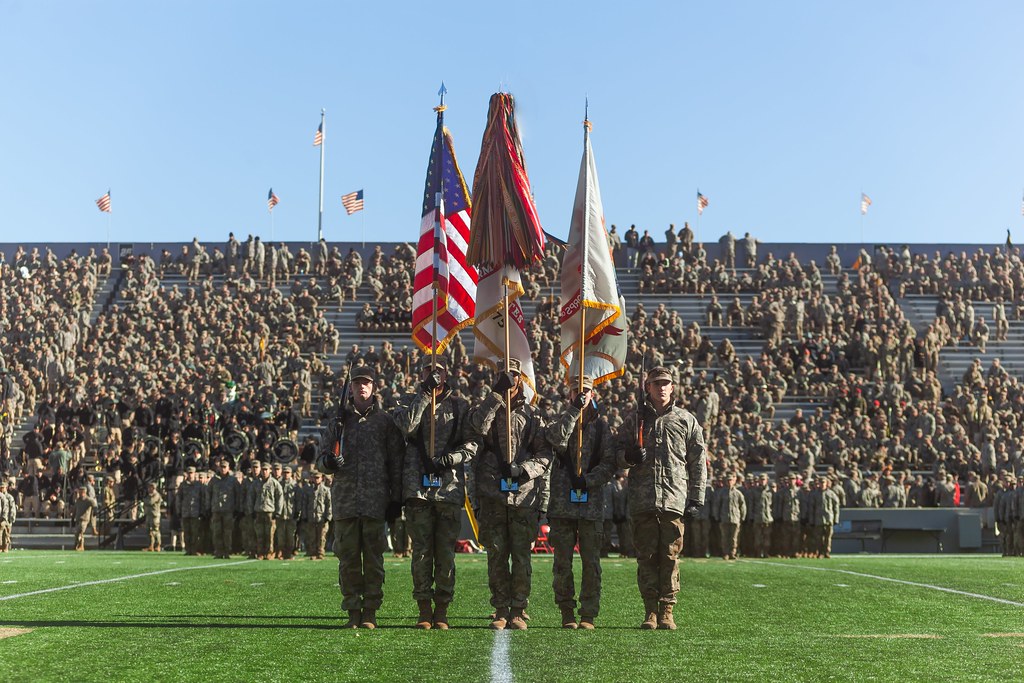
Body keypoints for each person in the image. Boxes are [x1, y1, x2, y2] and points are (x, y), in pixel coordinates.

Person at [618, 366, 707, 630]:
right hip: (643, 499)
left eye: (666, 383)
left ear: (673, 387)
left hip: (674, 498)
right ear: (647, 387)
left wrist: (696, 498)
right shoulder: (635, 420)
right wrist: (629, 457)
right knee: (646, 556)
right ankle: (650, 611)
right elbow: (615, 454)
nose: (662, 387)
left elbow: (698, 462)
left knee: (669, 556)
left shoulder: (686, 420)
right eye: (656, 383)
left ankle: (667, 609)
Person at [466, 358, 552, 631]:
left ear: (521, 378)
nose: (509, 379)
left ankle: (518, 608)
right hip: (492, 493)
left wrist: (523, 470)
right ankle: (500, 608)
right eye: (503, 374)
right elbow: (476, 428)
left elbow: (545, 456)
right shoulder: (486, 408)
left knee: (521, 556)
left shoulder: (534, 415)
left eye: (513, 374)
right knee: (496, 554)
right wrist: (494, 397)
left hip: (523, 496)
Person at [316, 367, 404, 629]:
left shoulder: (385, 422)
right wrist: (329, 462)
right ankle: (353, 610)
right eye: (356, 384)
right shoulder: (338, 423)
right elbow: (320, 461)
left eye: (366, 383)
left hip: (376, 502)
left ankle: (370, 612)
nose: (361, 388)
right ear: (351, 389)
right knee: (348, 560)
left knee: (374, 561)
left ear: (374, 387)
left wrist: (395, 501)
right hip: (345, 502)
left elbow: (396, 463)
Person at [393, 357, 476, 630]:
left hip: (448, 489)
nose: (434, 375)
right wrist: (424, 397)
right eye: (429, 372)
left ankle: (442, 608)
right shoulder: (407, 401)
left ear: (447, 374)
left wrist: (452, 459)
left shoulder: (460, 406)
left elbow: (473, 443)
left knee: (445, 554)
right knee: (421, 552)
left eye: (438, 372)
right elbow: (406, 428)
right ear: (422, 375)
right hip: (417, 488)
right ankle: (423, 608)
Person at [544, 376, 615, 629]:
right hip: (563, 504)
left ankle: (588, 613)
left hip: (591, 504)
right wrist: (574, 411)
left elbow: (609, 465)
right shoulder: (559, 419)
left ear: (593, 394)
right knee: (562, 562)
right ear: (569, 394)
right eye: (576, 391)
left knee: (591, 563)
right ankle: (566, 612)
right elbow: (555, 440)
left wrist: (588, 481)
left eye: (586, 391)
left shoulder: (602, 427)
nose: (581, 394)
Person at [208, 458, 241, 559]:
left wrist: (237, 508)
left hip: (228, 510)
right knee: (217, 532)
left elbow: (238, 494)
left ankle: (227, 551)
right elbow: (208, 494)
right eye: (221, 467)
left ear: (228, 468)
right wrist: (209, 507)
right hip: (216, 510)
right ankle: (218, 551)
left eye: (224, 467)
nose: (222, 469)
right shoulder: (214, 480)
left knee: (227, 533)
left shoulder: (233, 480)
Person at [252, 458, 283, 560]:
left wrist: (278, 512)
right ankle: (260, 552)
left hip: (270, 512)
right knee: (259, 534)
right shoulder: (256, 483)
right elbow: (251, 497)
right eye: (263, 470)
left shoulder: (274, 483)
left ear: (270, 470)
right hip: (259, 511)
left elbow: (280, 497)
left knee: (270, 534)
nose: (264, 472)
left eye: (266, 470)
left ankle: (269, 552)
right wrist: (251, 510)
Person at [714, 473, 745, 561]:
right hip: (724, 518)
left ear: (734, 481)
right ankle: (726, 553)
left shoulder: (738, 493)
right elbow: (717, 505)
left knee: (734, 538)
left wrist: (742, 517)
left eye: (731, 480)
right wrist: (716, 516)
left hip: (735, 519)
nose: (729, 482)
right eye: (728, 480)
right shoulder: (721, 493)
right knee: (724, 537)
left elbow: (742, 506)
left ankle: (732, 553)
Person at [177, 466, 205, 555]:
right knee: (186, 533)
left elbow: (202, 499)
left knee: (195, 533)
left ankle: (194, 550)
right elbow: (179, 499)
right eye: (189, 473)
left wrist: (202, 511)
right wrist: (179, 510)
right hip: (185, 512)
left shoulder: (199, 485)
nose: (190, 475)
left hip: (195, 512)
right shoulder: (183, 485)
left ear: (194, 473)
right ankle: (188, 550)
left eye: (192, 473)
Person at [72, 486, 97, 551]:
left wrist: (95, 510)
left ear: (84, 492)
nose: (79, 494)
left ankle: (78, 545)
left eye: (81, 492)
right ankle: (80, 546)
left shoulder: (88, 500)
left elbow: (94, 504)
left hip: (84, 519)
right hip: (78, 519)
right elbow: (75, 509)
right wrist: (72, 517)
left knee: (80, 531)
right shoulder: (78, 500)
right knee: (78, 533)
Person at [142, 482, 163, 552]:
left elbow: (150, 502)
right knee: (149, 531)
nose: (149, 489)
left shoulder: (156, 495)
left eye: (151, 487)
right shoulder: (149, 495)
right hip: (149, 515)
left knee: (155, 531)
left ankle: (158, 545)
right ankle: (151, 545)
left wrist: (145, 500)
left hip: (155, 515)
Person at [0, 479, 14, 552]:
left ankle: (6, 547)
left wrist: (10, 519)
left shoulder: (9, 497)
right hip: (1, 518)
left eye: (3, 487)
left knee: (6, 535)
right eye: (1, 487)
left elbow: (12, 509)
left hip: (7, 518)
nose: (2, 489)